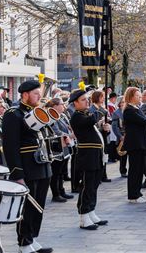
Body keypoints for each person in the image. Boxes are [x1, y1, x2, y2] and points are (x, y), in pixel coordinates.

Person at [1, 80, 53, 253]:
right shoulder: (13, 114)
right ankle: (24, 242)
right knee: (28, 207)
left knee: (39, 205)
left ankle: (32, 238)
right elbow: (10, 147)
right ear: (25, 95)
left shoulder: (35, 112)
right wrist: (17, 173)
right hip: (27, 167)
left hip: (41, 164)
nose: (40, 96)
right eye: (36, 94)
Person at [69, 89, 109, 230]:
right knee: (87, 186)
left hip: (95, 154)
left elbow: (93, 127)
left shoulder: (86, 114)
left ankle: (91, 211)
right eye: (83, 100)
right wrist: (99, 109)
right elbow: (91, 120)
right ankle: (84, 215)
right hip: (87, 156)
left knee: (94, 185)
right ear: (75, 103)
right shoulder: (77, 116)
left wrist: (104, 128)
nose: (87, 101)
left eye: (87, 99)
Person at [45, 98, 74, 203]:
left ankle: (61, 191)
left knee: (62, 171)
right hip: (57, 148)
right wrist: (70, 135)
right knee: (56, 172)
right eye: (62, 104)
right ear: (55, 106)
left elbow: (65, 128)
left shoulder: (59, 116)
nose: (64, 106)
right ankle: (56, 194)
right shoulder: (51, 117)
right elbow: (56, 132)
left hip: (64, 146)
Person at [89, 91, 111, 182]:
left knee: (104, 154)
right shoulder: (93, 109)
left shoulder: (102, 108)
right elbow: (93, 123)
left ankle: (103, 175)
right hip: (97, 134)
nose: (103, 99)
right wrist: (101, 124)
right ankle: (100, 175)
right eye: (102, 97)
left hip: (103, 134)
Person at [111, 97, 127, 177]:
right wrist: (120, 136)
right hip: (121, 136)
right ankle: (123, 171)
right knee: (123, 155)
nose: (123, 103)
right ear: (119, 103)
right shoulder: (116, 113)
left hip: (129, 136)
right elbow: (115, 127)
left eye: (124, 102)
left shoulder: (127, 110)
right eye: (122, 102)